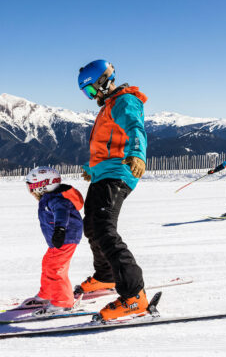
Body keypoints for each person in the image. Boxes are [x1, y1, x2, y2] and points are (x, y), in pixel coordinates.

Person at [77, 59, 148, 321]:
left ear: (105, 80)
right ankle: (106, 276)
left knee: (105, 229)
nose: (91, 96)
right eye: (87, 93)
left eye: (92, 90)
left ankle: (134, 296)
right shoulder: (108, 105)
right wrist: (91, 167)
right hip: (103, 174)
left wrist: (138, 154)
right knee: (92, 227)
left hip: (119, 173)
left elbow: (134, 128)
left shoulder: (124, 101)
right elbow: (106, 143)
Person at [23, 166, 83, 313]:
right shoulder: (50, 197)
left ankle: (63, 302)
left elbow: (61, 213)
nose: (30, 190)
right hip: (59, 240)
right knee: (48, 264)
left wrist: (60, 229)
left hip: (66, 238)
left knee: (55, 269)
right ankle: (47, 294)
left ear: (42, 185)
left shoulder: (56, 199)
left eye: (31, 186)